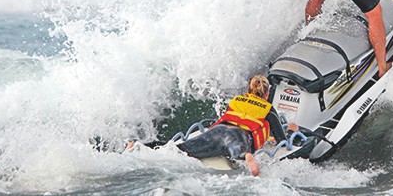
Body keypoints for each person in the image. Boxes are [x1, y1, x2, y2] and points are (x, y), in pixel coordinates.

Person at [128, 75, 298, 177]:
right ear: (267, 94)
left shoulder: (237, 100)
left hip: (217, 131)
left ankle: (141, 145)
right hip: (239, 136)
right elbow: (283, 141)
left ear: (249, 90)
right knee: (236, 151)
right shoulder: (268, 109)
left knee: (179, 149)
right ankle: (246, 156)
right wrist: (291, 130)